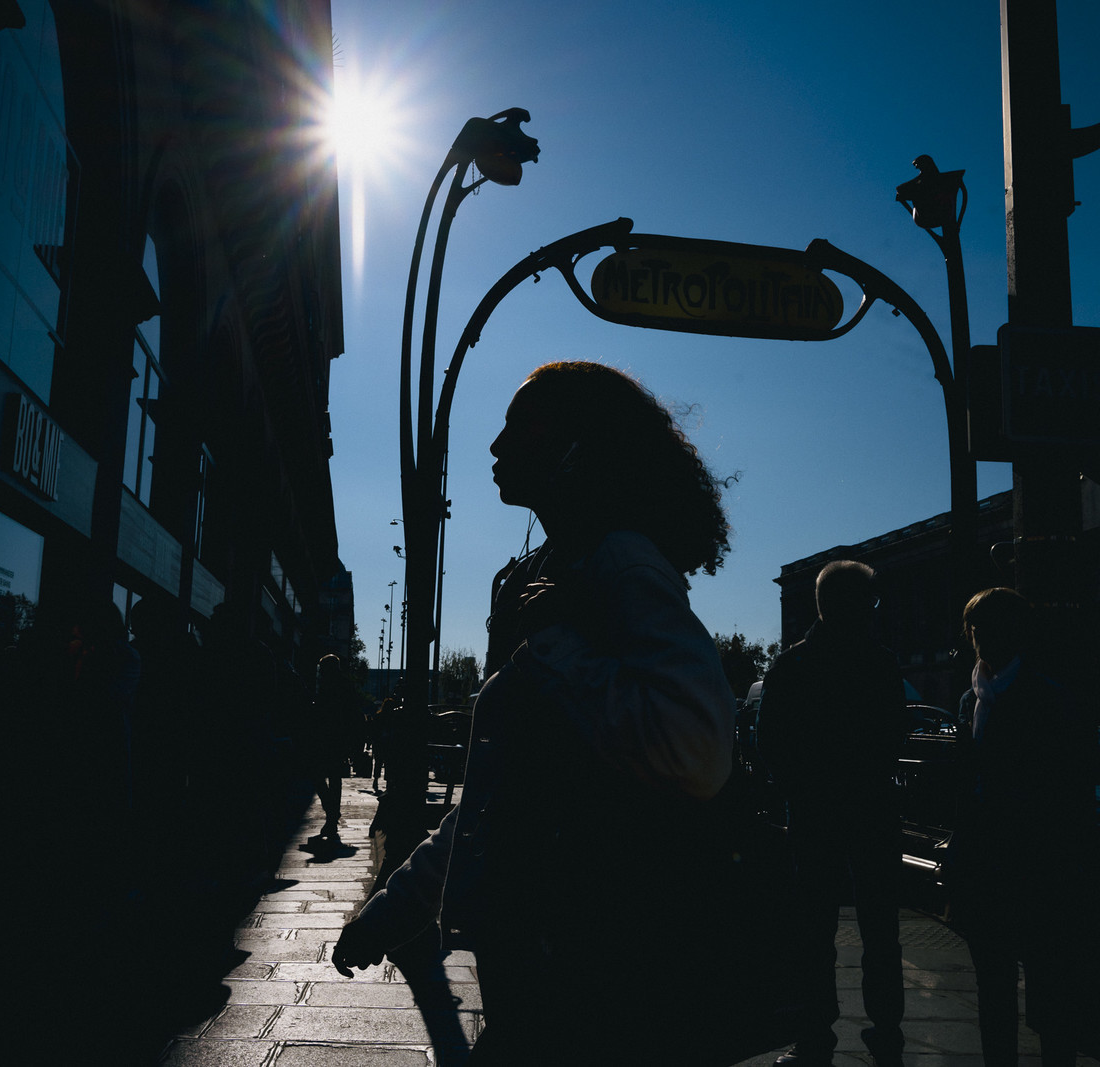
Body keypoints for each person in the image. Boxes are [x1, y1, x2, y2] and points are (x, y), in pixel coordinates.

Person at [331, 361, 738, 1065]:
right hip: (536, 955)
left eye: (520, 426)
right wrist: (392, 911)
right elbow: (501, 792)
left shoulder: (619, 563)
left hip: (597, 966)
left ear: (573, 446)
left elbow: (697, 746)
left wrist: (551, 642)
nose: (494, 445)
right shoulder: (544, 572)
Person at [757, 560, 909, 1067]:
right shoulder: (880, 663)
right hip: (872, 811)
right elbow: (896, 737)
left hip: (814, 813)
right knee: (881, 933)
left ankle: (815, 1037)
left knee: (813, 933)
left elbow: (770, 747)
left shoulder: (791, 667)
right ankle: (886, 1035)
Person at [951, 588, 1097, 1067]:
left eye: (986, 627)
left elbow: (1069, 791)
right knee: (993, 991)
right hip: (987, 868)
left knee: (1049, 997)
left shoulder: (1049, 698)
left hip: (1039, 868)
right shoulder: (968, 699)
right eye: (974, 626)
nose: (978, 637)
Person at [307, 653, 362, 842]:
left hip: (328, 738)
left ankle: (331, 813)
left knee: (318, 776)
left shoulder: (328, 686)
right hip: (340, 739)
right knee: (334, 778)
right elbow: (355, 714)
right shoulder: (346, 685)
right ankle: (332, 813)